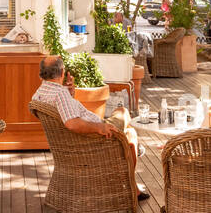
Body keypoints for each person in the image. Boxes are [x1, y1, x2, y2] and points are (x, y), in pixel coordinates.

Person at [32, 56, 151, 200]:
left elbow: (60, 115)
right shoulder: (60, 94)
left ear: (41, 73)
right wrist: (99, 127)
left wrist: (69, 95)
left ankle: (134, 179)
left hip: (73, 142)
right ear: (62, 72)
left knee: (129, 136)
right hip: (92, 139)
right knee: (124, 115)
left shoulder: (40, 94)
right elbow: (71, 123)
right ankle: (133, 183)